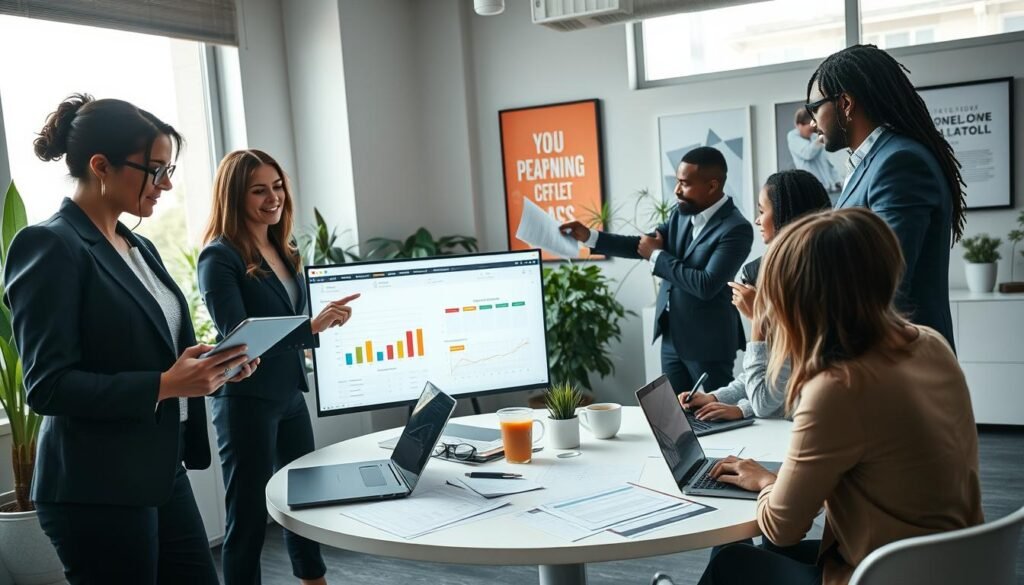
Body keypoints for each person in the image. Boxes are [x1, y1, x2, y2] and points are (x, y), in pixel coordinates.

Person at [4, 94, 257, 584]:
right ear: (101, 165)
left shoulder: (135, 244)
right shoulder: (49, 245)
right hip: (95, 489)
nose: (166, 184)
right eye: (155, 169)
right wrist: (165, 384)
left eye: (169, 170)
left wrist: (213, 367)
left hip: (159, 471)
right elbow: (48, 386)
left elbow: (153, 350)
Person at [696, 208, 983, 585]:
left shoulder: (838, 388)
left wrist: (768, 482)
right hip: (955, 562)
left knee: (731, 561)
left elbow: (782, 528)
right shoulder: (930, 343)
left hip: (886, 573)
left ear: (801, 299)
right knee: (748, 555)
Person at [199, 149, 358, 585]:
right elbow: (239, 338)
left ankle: (313, 579)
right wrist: (312, 326)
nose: (273, 198)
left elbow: (287, 321)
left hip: (288, 394)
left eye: (277, 186)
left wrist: (318, 322)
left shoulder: (282, 248)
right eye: (259, 190)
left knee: (303, 501)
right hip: (246, 400)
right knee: (248, 519)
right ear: (234, 196)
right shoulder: (219, 258)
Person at [805, 43, 962, 350]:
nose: (811, 123)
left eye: (814, 109)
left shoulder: (898, 162)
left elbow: (886, 285)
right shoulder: (875, 161)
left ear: (846, 103)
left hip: (898, 363)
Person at [561, 146, 753, 396]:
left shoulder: (736, 229)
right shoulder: (681, 214)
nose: (676, 191)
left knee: (715, 415)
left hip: (708, 343)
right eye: (677, 182)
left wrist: (657, 255)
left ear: (713, 186)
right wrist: (590, 237)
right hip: (671, 336)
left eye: (684, 184)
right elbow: (642, 245)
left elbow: (706, 285)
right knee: (674, 417)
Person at [682, 170, 831, 422]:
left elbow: (766, 400)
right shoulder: (801, 277)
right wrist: (716, 397)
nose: (757, 220)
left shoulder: (805, 291)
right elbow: (775, 372)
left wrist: (759, 323)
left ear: (786, 214)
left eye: (762, 211)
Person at [786, 108, 843, 195]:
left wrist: (838, 180)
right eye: (809, 129)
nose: (812, 131)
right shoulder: (792, 136)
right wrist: (821, 137)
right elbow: (808, 153)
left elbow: (827, 162)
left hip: (829, 188)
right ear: (799, 125)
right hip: (812, 189)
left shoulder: (814, 136)